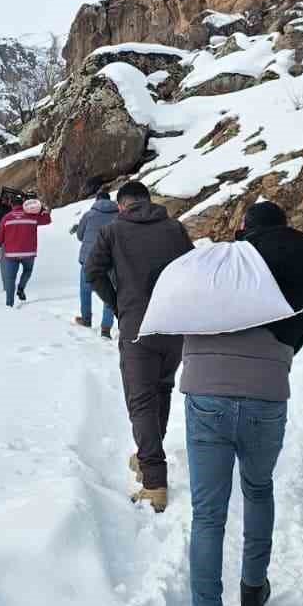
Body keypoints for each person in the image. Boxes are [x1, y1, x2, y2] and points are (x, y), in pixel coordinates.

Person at [180, 201, 303, 606]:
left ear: (244, 230)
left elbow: (185, 314)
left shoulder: (220, 267)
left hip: (206, 392)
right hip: (265, 394)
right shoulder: (299, 273)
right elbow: (297, 336)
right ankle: (252, 591)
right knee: (258, 489)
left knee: (208, 514)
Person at [85, 181, 193, 512]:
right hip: (174, 325)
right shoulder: (175, 229)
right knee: (161, 390)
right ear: (149, 201)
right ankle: (147, 456)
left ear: (122, 206)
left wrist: (118, 304)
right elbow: (193, 270)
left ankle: (154, 481)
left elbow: (92, 271)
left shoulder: (113, 231)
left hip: (137, 326)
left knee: (141, 400)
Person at [72, 184, 118, 338]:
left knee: (85, 290)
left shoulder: (89, 215)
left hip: (89, 258)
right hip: (110, 260)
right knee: (109, 292)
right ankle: (106, 328)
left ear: (97, 200)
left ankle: (86, 319)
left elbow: (80, 235)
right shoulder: (118, 215)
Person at [0, 193, 52, 307]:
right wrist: (42, 208)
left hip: (11, 255)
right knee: (27, 271)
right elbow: (47, 219)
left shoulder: (6, 218)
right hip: (28, 254)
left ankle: (9, 305)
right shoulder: (32, 216)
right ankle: (21, 288)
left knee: (10, 279)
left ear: (11, 204)